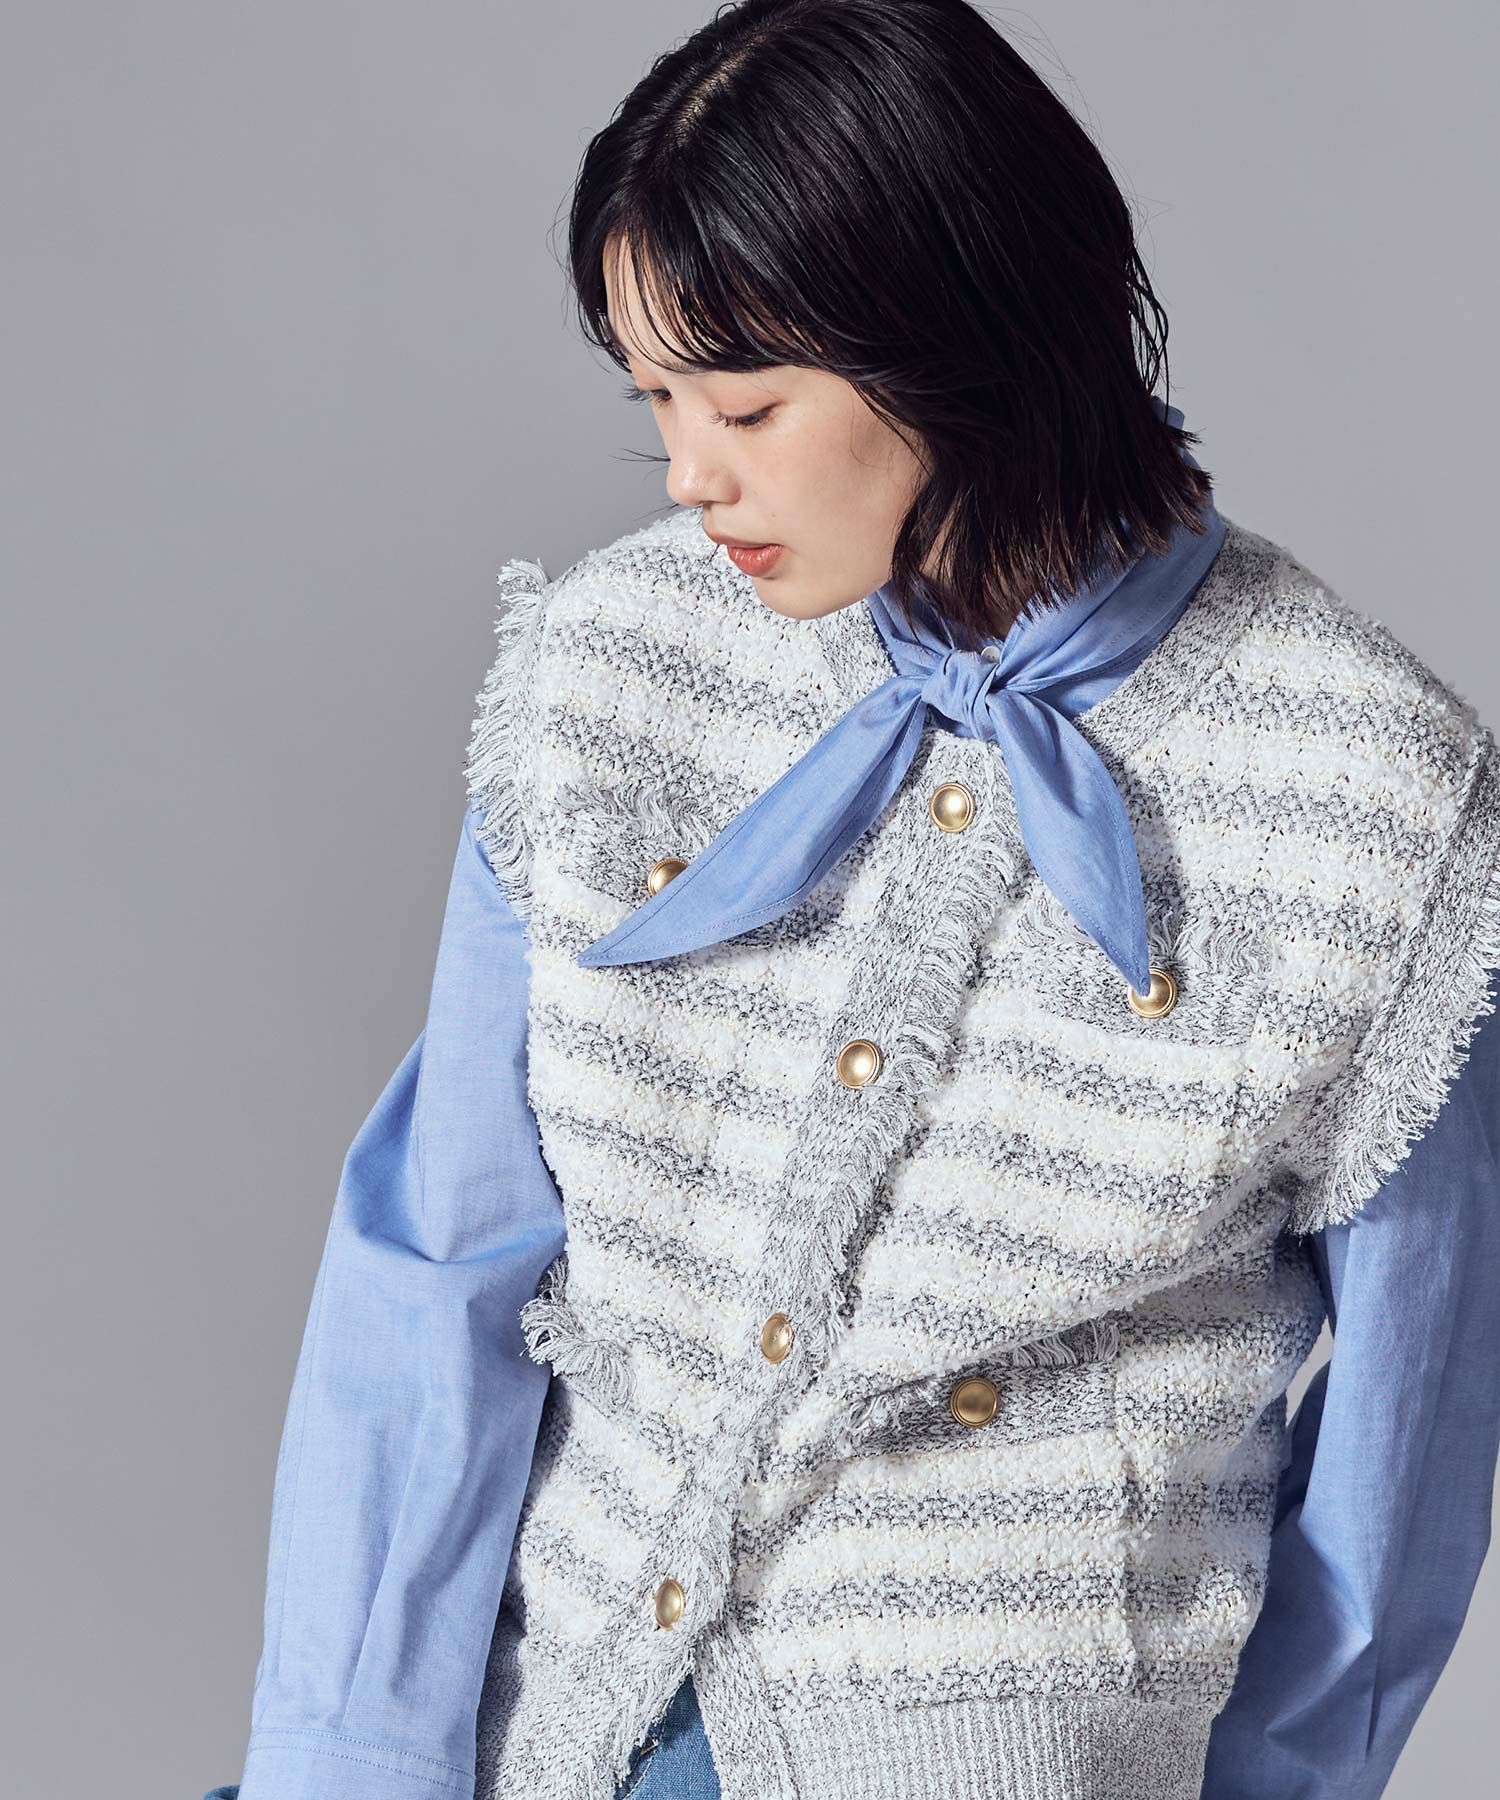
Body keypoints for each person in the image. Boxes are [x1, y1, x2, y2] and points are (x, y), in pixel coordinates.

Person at [203, 4, 1500, 1798]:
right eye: (656, 400)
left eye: (745, 404)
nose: (690, 472)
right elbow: (438, 1266)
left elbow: (1405, 1455)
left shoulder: (1371, 792)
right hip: (538, 1738)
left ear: (964, 341)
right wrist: (348, 1766)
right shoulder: (610, 674)